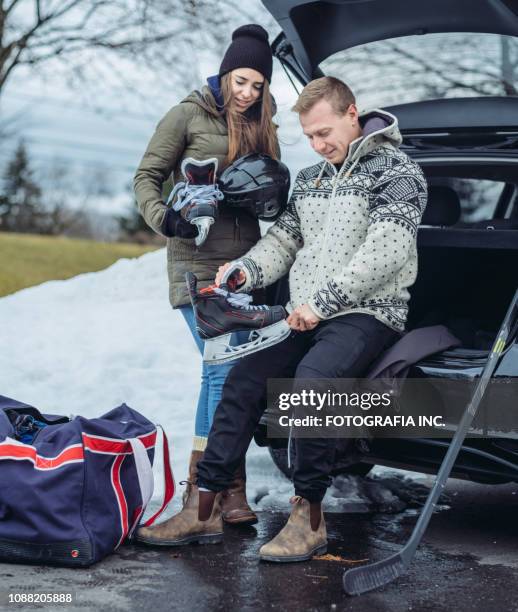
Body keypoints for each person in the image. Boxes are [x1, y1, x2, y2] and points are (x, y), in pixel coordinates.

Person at [136, 76, 428, 560]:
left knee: (312, 382)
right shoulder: (313, 179)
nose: (318, 145)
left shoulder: (396, 170)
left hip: (367, 311)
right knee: (245, 378)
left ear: (352, 113)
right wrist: (242, 272)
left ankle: (308, 517)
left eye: (324, 132)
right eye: (310, 137)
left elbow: (388, 251)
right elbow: (283, 241)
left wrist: (323, 303)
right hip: (305, 313)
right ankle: (204, 504)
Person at [134, 24, 280, 528]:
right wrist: (166, 218)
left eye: (258, 85)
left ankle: (227, 492)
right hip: (195, 265)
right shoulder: (186, 115)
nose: (248, 93)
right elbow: (145, 177)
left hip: (242, 268)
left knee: (228, 375)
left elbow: (264, 187)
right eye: (241, 81)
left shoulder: (265, 120)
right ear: (224, 73)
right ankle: (206, 494)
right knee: (222, 372)